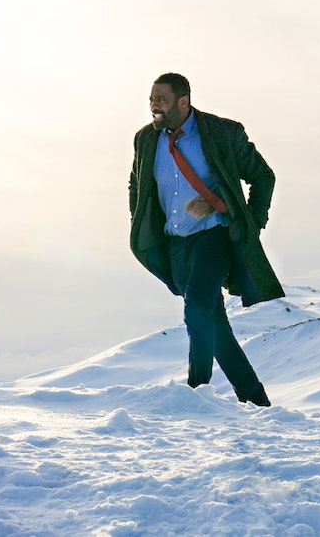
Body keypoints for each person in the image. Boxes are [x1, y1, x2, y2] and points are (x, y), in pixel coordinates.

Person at [128, 73, 284, 406]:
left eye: (162, 100)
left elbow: (262, 176)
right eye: (151, 99)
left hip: (213, 236)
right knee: (216, 330)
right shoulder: (145, 140)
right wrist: (137, 221)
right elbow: (135, 185)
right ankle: (257, 402)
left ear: (183, 101)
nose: (154, 105)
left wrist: (250, 223)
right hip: (175, 245)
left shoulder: (222, 133)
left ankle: (196, 393)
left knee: (197, 306)